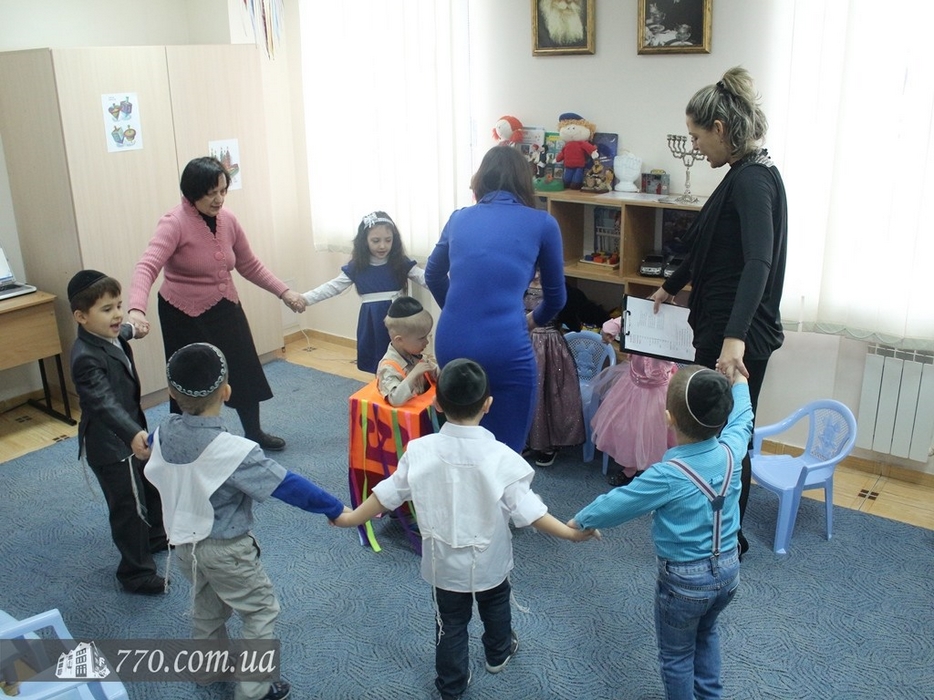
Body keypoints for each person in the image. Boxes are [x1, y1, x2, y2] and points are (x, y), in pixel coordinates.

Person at [334, 359, 598, 700]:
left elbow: (386, 494)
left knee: (450, 624)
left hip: (443, 565)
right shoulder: (502, 458)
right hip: (490, 561)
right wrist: (570, 533)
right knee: (496, 603)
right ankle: (498, 653)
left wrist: (352, 518)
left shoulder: (419, 451)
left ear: (437, 403)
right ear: (488, 404)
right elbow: (531, 512)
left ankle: (452, 683)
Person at [144, 342, 348, 700]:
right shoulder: (235, 451)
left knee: (206, 607)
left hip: (184, 547)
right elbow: (287, 485)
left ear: (172, 394)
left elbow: (149, 442)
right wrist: (334, 507)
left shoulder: (162, 431)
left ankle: (208, 670)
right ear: (226, 392)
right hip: (228, 551)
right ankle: (255, 689)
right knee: (260, 610)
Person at [651, 66, 787, 556]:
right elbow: (709, 247)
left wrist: (734, 339)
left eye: (696, 136)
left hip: (734, 334)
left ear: (721, 129)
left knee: (728, 440)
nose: (694, 146)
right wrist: (669, 287)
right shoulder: (740, 175)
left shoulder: (753, 180)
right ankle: (707, 519)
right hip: (722, 326)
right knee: (710, 432)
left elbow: (759, 262)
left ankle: (728, 535)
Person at [570, 365, 752, 700]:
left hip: (684, 583)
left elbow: (621, 502)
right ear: (721, 419)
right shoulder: (732, 450)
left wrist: (582, 520)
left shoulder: (668, 474)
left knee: (676, 655)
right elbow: (743, 418)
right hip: (729, 572)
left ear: (668, 418)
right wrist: (740, 383)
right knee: (707, 633)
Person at [128, 156, 305, 452]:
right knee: (190, 380)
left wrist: (284, 292)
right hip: (182, 312)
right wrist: (136, 309)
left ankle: (254, 433)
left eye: (223, 191)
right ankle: (186, 442)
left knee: (244, 369)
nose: (219, 199)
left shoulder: (229, 220)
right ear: (192, 193)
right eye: (211, 193)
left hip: (224, 306)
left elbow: (249, 264)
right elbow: (147, 266)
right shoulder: (174, 223)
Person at [425, 146, 567, 452]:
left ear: (481, 179)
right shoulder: (543, 224)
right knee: (504, 451)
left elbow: (432, 275)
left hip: (452, 340)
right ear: (524, 182)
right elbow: (556, 298)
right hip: (505, 344)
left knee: (458, 440)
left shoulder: (458, 218)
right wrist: (530, 322)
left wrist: (459, 313)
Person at [67, 269, 168, 595]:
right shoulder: (85, 358)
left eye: (119, 306)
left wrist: (135, 328)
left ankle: (155, 537)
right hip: (111, 444)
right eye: (107, 309)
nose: (117, 315)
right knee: (129, 506)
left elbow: (123, 331)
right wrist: (131, 433)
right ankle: (135, 574)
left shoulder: (109, 335)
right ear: (81, 317)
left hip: (130, 433)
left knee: (149, 485)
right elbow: (102, 403)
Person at [301, 211, 427, 374]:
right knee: (379, 362)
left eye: (388, 240)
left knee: (403, 360)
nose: (382, 246)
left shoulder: (400, 262)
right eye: (376, 240)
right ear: (364, 241)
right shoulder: (357, 266)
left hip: (399, 320)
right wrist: (304, 299)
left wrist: (452, 288)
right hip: (373, 321)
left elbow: (425, 278)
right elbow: (332, 287)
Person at [592, 316, 676, 487]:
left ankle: (655, 469)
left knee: (658, 430)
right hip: (633, 386)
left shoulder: (673, 320)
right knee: (629, 429)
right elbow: (619, 321)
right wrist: (610, 330)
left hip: (659, 390)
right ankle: (630, 467)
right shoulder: (640, 314)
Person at [523, 273, 584, 467]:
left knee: (549, 394)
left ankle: (548, 444)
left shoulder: (558, 286)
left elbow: (574, 321)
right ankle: (528, 439)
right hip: (523, 342)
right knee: (525, 392)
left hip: (550, 347)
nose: (537, 274)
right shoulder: (520, 283)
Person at [377, 296, 438, 407]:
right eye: (421, 338)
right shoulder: (388, 368)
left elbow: (435, 373)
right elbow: (395, 399)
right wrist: (414, 374)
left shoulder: (415, 355)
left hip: (422, 412)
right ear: (400, 340)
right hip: (404, 417)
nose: (427, 342)